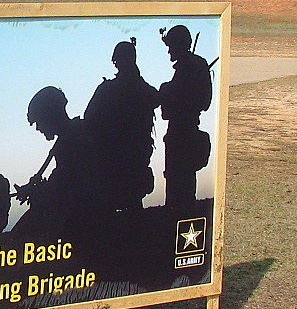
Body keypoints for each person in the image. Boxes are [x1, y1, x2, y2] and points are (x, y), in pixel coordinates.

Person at [12, 86, 98, 240]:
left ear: (50, 115)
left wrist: (38, 192)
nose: (38, 128)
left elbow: (68, 188)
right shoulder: (69, 137)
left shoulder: (74, 139)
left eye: (39, 121)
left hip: (79, 219)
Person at [84, 39, 160, 211]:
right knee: (132, 210)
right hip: (129, 161)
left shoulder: (109, 90)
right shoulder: (138, 88)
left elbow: (89, 118)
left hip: (117, 162)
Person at [158, 25, 212, 208]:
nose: (169, 51)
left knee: (179, 185)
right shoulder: (195, 66)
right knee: (183, 183)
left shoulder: (190, 67)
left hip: (182, 133)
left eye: (171, 46)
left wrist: (167, 90)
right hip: (185, 133)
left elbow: (200, 101)